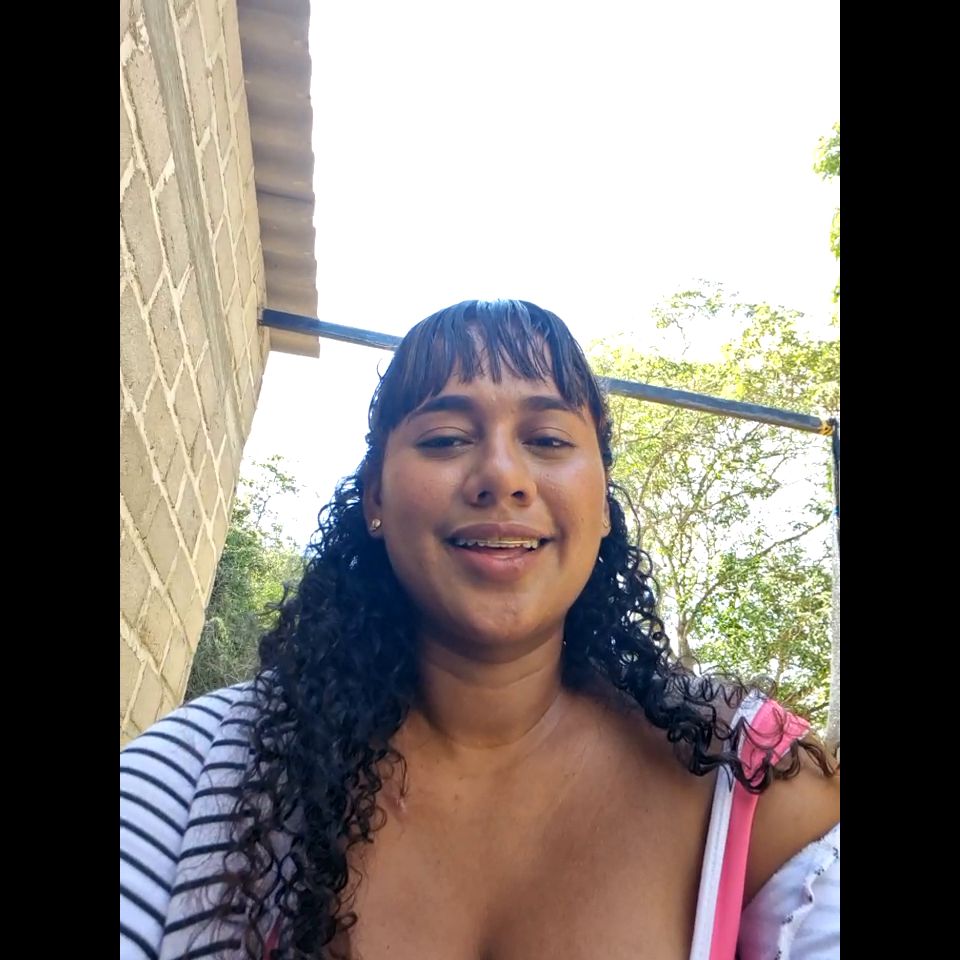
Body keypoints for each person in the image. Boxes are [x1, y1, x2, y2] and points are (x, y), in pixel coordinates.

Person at [120, 299, 840, 960]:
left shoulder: (755, 792)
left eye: (548, 439)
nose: (501, 475)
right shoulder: (202, 780)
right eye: (445, 439)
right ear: (374, 498)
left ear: (603, 506)